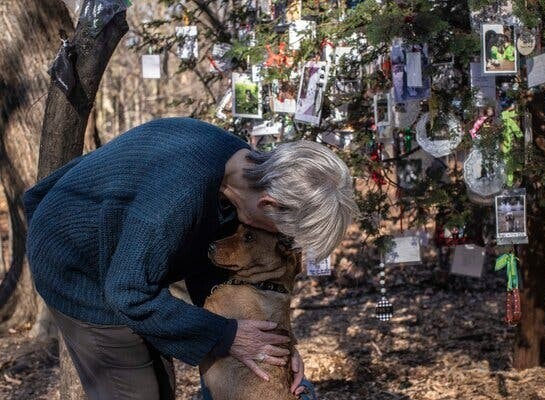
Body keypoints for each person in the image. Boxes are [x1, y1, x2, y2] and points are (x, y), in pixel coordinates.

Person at [24, 117, 358, 400]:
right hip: (77, 268)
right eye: (283, 230)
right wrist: (225, 335)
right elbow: (128, 295)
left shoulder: (240, 171)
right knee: (137, 389)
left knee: (159, 379)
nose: (279, 238)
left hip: (128, 262)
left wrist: (277, 351)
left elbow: (206, 261)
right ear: (268, 205)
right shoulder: (177, 198)